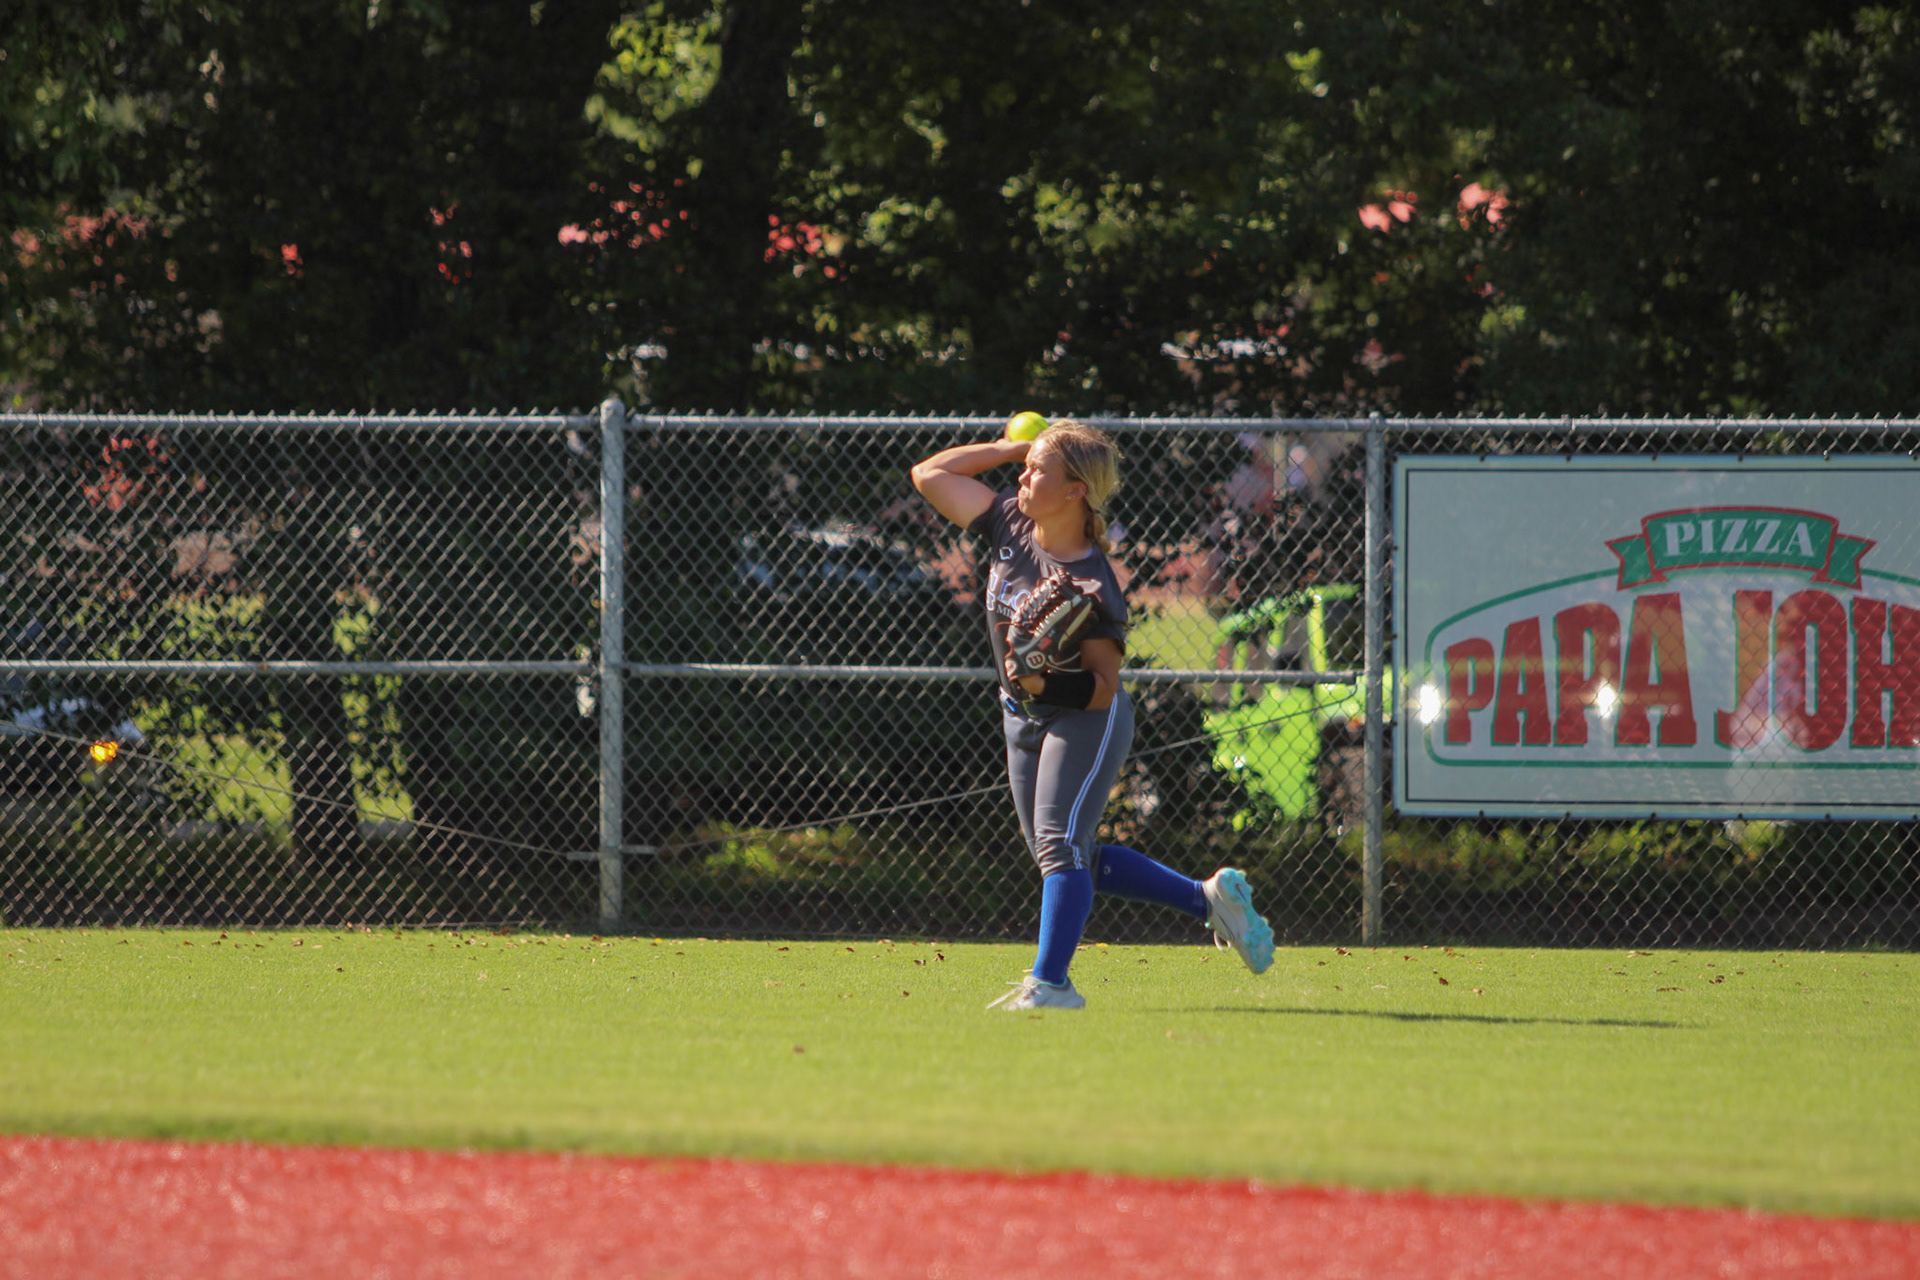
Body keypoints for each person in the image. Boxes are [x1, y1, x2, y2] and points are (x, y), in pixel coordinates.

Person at [910, 420, 1276, 1011]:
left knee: (1059, 847)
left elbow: (1103, 690)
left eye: (1037, 471)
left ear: (1076, 490)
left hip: (1084, 719)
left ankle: (1051, 984)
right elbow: (929, 474)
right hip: (1021, 715)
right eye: (1025, 467)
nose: (1022, 477)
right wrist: (1011, 447)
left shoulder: (1093, 585)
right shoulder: (1010, 520)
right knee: (1064, 856)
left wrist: (1042, 680)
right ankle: (1208, 901)